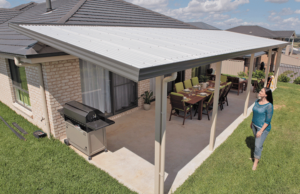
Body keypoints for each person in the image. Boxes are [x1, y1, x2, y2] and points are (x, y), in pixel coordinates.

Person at [250, 87, 274, 170]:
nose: (259, 92)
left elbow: (267, 121)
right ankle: (257, 152)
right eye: (260, 90)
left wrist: (260, 131)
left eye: (261, 91)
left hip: (262, 128)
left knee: (257, 145)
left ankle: (255, 162)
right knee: (258, 144)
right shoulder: (257, 102)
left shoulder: (269, 106)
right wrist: (251, 122)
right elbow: (255, 113)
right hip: (254, 125)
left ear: (266, 95)